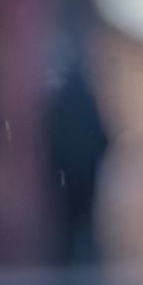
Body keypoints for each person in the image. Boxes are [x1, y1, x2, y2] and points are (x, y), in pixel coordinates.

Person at [44, 53, 109, 267]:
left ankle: (67, 259)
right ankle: (87, 258)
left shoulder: (61, 103)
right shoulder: (89, 101)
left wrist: (55, 165)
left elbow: (52, 137)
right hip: (87, 172)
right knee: (86, 218)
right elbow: (102, 135)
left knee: (67, 219)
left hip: (66, 174)